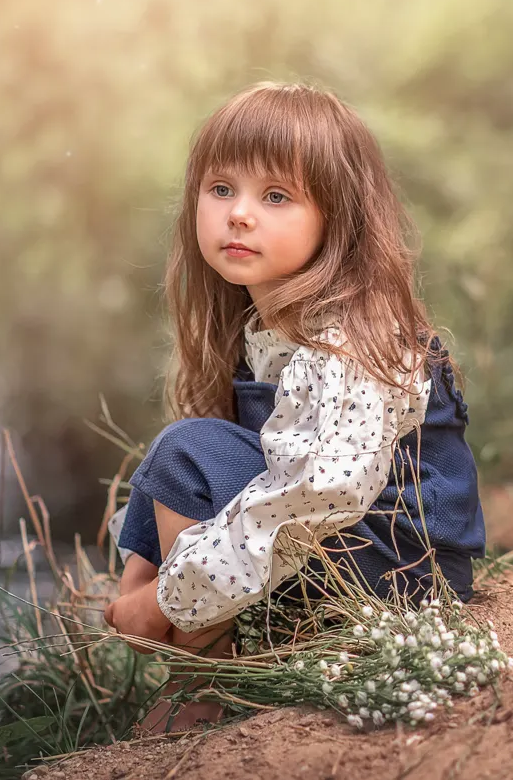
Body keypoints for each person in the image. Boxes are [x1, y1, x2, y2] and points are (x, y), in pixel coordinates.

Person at [102, 81, 485, 730]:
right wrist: (136, 584)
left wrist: (168, 600)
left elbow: (322, 494)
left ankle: (203, 679)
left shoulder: (353, 342)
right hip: (336, 550)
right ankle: (200, 648)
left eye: (275, 196)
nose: (239, 214)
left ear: (338, 219)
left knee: (188, 449)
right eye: (221, 188)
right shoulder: (264, 330)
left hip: (400, 571)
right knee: (187, 448)